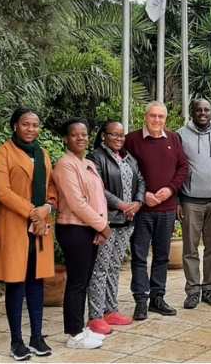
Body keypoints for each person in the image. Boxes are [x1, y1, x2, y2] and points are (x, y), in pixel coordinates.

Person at [0, 108, 58, 360]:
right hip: (15, 225)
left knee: (36, 282)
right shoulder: (3, 153)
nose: (31, 129)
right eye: (25, 124)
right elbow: (2, 191)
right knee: (16, 282)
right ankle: (16, 341)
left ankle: (37, 337)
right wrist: (33, 211)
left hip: (39, 227)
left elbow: (51, 185)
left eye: (35, 124)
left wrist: (47, 206)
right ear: (14, 125)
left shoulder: (43, 153)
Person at [124, 102, 189, 320]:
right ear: (145, 117)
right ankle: (141, 300)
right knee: (140, 256)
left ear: (166, 119)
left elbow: (183, 168)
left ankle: (157, 298)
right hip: (142, 210)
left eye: (161, 117)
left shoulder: (173, 139)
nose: (157, 120)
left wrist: (170, 190)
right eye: (153, 116)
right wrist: (143, 195)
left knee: (162, 256)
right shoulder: (132, 140)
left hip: (167, 209)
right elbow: (126, 171)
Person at [52, 118, 111, 350]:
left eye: (84, 134)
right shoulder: (65, 165)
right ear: (66, 138)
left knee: (84, 280)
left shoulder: (88, 163)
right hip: (74, 228)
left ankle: (80, 327)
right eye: (75, 134)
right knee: (76, 282)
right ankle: (74, 334)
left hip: (89, 228)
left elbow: (99, 198)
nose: (81, 138)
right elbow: (76, 203)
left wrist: (100, 225)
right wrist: (102, 226)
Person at [85, 120, 146, 335]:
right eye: (114, 135)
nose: (119, 139)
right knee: (100, 269)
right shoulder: (96, 158)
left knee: (113, 267)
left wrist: (137, 204)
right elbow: (97, 187)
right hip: (107, 221)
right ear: (103, 136)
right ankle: (95, 316)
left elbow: (140, 181)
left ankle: (111, 310)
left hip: (127, 221)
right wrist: (121, 205)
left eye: (122, 135)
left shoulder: (129, 158)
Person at [176, 99, 211, 309]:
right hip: (190, 201)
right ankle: (192, 291)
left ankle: (209, 289)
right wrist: (178, 200)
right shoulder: (181, 134)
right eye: (198, 110)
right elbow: (176, 168)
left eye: (206, 110)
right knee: (190, 249)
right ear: (192, 112)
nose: (202, 113)